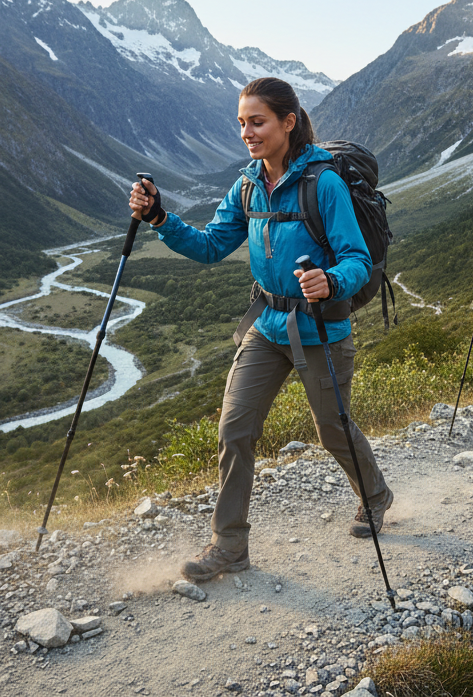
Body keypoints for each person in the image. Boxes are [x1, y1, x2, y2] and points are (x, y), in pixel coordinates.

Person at [128, 77, 393, 584]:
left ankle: (376, 495)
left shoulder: (324, 183)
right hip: (268, 325)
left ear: (287, 122)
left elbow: (359, 259)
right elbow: (210, 246)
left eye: (257, 121)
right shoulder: (248, 183)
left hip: (321, 328)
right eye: (241, 123)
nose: (247, 132)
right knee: (234, 430)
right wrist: (160, 216)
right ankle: (229, 546)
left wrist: (330, 279)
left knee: (332, 429)